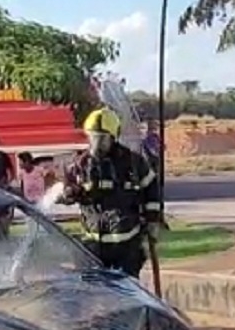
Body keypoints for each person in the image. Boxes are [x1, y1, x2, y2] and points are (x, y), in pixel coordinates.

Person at [61, 108, 162, 278]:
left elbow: (152, 190)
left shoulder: (133, 163)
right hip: (92, 245)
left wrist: (153, 220)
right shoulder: (79, 165)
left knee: (126, 294)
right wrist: (70, 193)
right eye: (93, 137)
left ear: (113, 137)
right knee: (94, 294)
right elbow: (67, 191)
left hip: (126, 246)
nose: (96, 143)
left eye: (102, 138)